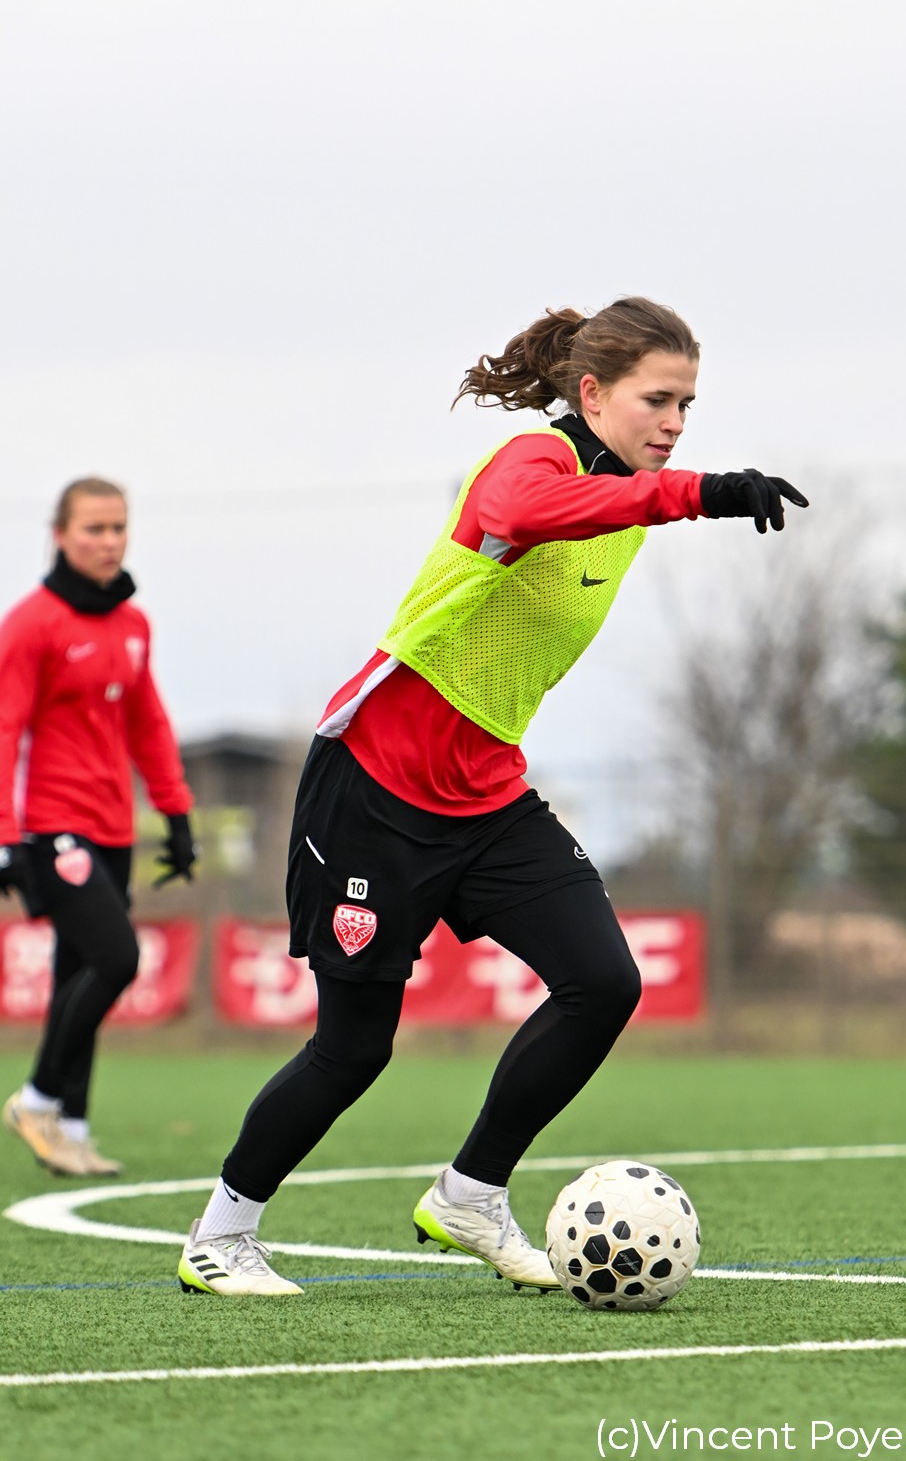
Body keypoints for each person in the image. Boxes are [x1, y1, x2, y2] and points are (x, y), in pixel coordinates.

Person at [176, 296, 807, 1297]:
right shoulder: (529, 459)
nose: (675, 423)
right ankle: (221, 1235)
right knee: (353, 1050)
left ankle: (470, 1193)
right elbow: (523, 515)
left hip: (486, 793)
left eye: (687, 404)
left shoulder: (630, 500)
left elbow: (610, 511)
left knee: (603, 982)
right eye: (656, 400)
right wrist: (695, 493)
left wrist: (666, 492)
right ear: (590, 394)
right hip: (374, 787)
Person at [0, 477, 196, 1177]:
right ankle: (36, 1099)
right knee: (117, 960)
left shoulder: (132, 624)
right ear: (60, 535)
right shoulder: (32, 624)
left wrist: (175, 812)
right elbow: (4, 729)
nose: (109, 541)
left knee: (78, 972)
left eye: (118, 527)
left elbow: (148, 722)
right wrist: (4, 836)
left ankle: (72, 1129)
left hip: (114, 826)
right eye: (93, 528)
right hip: (52, 825)